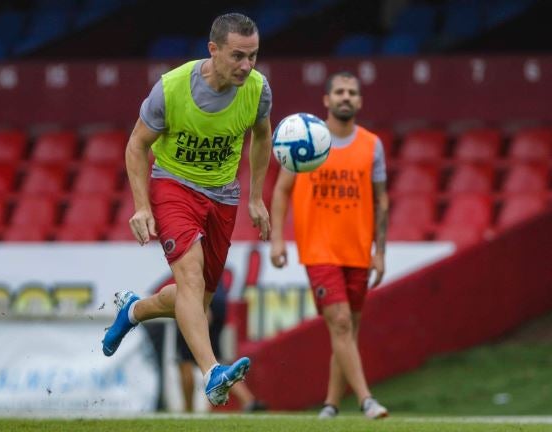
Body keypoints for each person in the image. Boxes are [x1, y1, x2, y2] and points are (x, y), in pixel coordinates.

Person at [102, 12, 273, 408]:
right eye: (237, 56)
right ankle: (213, 373)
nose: (247, 66)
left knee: (196, 298)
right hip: (173, 187)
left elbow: (262, 136)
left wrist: (255, 197)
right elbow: (136, 145)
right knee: (190, 279)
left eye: (253, 56)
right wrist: (142, 206)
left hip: (223, 197)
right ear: (212, 50)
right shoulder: (172, 89)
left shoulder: (259, 89)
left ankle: (135, 310)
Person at [269, 71, 389, 419]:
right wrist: (277, 238)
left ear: (360, 101)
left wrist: (379, 251)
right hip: (319, 249)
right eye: (339, 91)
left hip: (357, 250)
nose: (345, 97)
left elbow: (382, 201)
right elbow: (281, 190)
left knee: (347, 329)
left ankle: (331, 405)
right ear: (326, 99)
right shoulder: (305, 137)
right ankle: (367, 400)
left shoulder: (372, 145)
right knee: (339, 323)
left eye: (352, 92)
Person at [176, 280, 267, 412]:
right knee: (213, 360)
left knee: (185, 361)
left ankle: (188, 410)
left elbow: (193, 270)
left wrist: (203, 306)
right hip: (218, 296)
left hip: (200, 295)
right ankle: (248, 400)